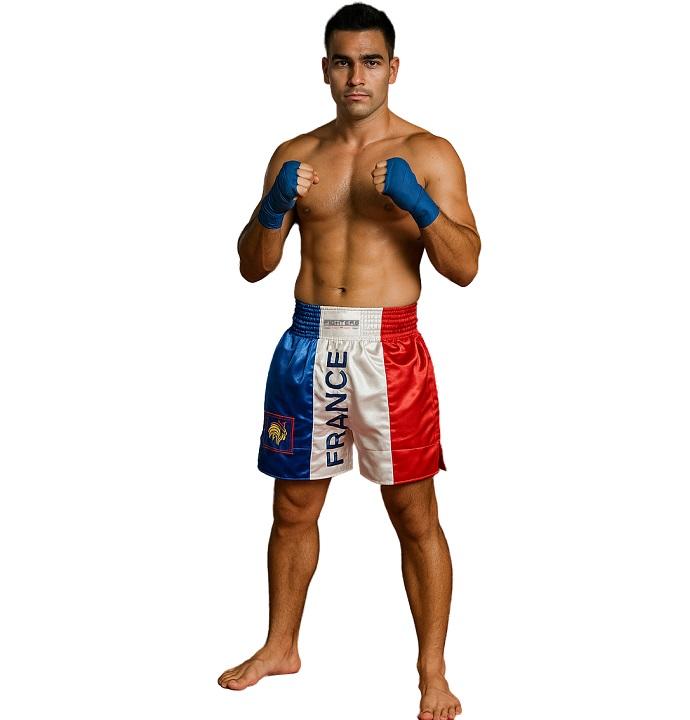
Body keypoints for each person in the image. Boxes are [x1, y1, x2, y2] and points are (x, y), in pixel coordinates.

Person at [218, 4, 480, 719]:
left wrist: (420, 205)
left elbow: (465, 266)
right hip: (306, 342)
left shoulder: (430, 152)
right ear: (325, 70)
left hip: (389, 347)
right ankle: (281, 646)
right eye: (342, 61)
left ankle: (432, 673)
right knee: (292, 506)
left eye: (369, 61)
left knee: (413, 512)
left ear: (392, 69)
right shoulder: (296, 153)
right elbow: (252, 266)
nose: (355, 75)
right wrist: (273, 206)